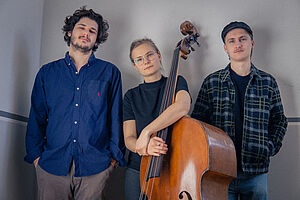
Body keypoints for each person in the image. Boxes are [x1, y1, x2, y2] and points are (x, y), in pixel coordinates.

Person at [24, 7, 126, 200]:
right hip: (51, 165)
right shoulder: (47, 73)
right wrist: (36, 156)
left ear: (97, 39)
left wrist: (112, 159)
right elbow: (37, 117)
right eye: (82, 27)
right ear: (70, 31)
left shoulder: (110, 73)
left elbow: (115, 118)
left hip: (96, 167)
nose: (86, 33)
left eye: (92, 31)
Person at [191, 21, 288, 200]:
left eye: (242, 39)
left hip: (255, 171)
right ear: (225, 48)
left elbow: (279, 120)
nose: (238, 44)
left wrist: (268, 148)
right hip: (218, 171)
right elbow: (197, 125)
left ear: (252, 43)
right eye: (232, 41)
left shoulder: (268, 82)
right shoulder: (212, 82)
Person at [123, 38, 191, 200]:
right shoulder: (131, 96)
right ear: (135, 65)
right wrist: (146, 148)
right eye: (139, 59)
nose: (145, 61)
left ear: (159, 55)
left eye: (149, 55)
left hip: (172, 167)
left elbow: (182, 106)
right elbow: (129, 139)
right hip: (137, 169)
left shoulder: (177, 82)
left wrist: (147, 132)